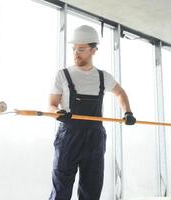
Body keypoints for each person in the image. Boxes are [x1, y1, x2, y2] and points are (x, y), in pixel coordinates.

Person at [48, 25, 136, 200]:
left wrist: (127, 112)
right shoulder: (62, 75)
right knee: (61, 189)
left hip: (94, 139)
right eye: (74, 49)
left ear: (93, 50)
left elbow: (120, 92)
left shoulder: (103, 77)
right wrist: (58, 112)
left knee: (92, 188)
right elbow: (50, 106)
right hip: (68, 138)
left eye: (81, 49)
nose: (76, 53)